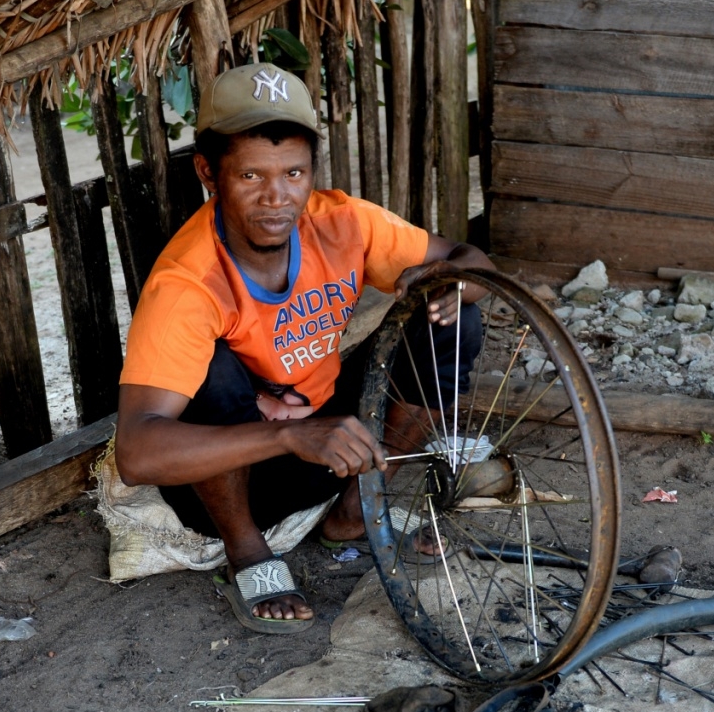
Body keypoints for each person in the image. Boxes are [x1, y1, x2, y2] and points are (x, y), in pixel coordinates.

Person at [115, 61, 495, 634]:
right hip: (238, 477)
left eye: (294, 173)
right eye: (250, 177)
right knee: (215, 370)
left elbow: (470, 258)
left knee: (451, 316)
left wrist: (459, 283)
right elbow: (137, 453)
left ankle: (354, 509)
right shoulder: (186, 284)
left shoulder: (342, 221)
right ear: (208, 173)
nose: (277, 198)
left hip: (335, 443)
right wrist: (290, 434)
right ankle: (248, 552)